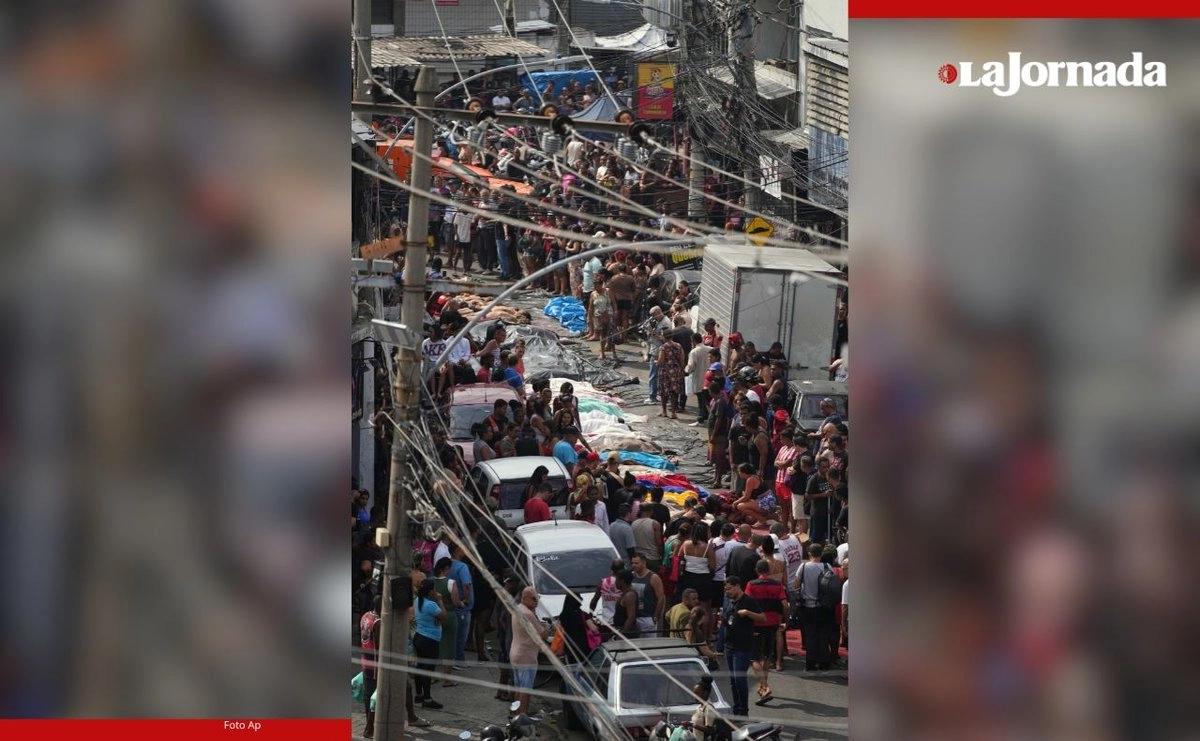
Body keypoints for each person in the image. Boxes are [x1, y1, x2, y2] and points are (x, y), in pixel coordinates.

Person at [744, 559, 788, 704]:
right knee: (766, 656)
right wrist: (784, 620)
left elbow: (747, 602)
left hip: (756, 623)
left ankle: (764, 687)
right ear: (769, 570)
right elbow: (784, 604)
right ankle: (764, 688)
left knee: (754, 657)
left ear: (757, 570)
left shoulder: (751, 584)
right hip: (773, 622)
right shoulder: (777, 585)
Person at [722, 577, 766, 718]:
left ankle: (743, 710)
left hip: (742, 647)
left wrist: (747, 613)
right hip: (729, 645)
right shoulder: (730, 601)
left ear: (737, 586)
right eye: (725, 589)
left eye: (729, 589)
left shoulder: (748, 601)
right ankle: (737, 709)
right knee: (733, 681)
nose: (727, 592)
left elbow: (762, 618)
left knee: (740, 679)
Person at [792, 542, 835, 670]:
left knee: (810, 635)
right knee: (823, 635)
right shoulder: (827, 566)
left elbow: (796, 585)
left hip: (808, 606)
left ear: (809, 553)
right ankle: (824, 663)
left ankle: (810, 663)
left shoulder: (804, 567)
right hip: (824, 607)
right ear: (821, 554)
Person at [509, 587, 548, 715]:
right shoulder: (528, 614)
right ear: (524, 598)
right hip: (526, 656)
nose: (536, 601)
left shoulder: (518, 609)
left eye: (537, 599)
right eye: (533, 599)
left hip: (516, 653)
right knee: (525, 691)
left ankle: (516, 714)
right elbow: (542, 634)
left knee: (518, 688)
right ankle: (522, 716)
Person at [412, 579, 446, 709]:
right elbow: (443, 616)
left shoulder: (417, 601)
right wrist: (440, 600)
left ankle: (419, 694)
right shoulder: (431, 605)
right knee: (427, 670)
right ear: (430, 591)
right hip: (429, 640)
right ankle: (427, 698)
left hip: (419, 636)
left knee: (420, 667)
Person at [430, 557, 462, 686]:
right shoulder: (451, 583)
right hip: (448, 615)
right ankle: (447, 678)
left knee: (434, 645)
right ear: (446, 568)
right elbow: (456, 602)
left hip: (434, 615)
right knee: (449, 646)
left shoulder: (431, 581)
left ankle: (431, 675)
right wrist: (462, 602)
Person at [448, 543, 475, 671]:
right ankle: (458, 659)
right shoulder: (462, 567)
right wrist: (467, 599)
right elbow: (466, 584)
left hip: (451, 604)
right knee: (461, 635)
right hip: (462, 607)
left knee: (453, 634)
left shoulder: (447, 566)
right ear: (457, 550)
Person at [630, 553, 666, 635]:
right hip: (634, 617)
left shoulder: (653, 577)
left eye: (636, 563)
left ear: (644, 563)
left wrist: (655, 618)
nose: (634, 565)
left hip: (648, 617)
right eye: (632, 563)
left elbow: (661, 598)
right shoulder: (631, 576)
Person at [588, 558, 625, 628]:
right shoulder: (624, 583)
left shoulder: (603, 582)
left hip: (606, 621)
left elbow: (594, 600)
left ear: (611, 568)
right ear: (623, 568)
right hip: (622, 621)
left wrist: (590, 615)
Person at [657, 330, 686, 420]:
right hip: (676, 371)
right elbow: (682, 359)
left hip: (665, 372)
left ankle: (664, 411)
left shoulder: (663, 347)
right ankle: (673, 412)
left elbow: (661, 361)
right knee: (674, 392)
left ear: (664, 337)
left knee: (664, 391)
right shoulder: (678, 346)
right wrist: (682, 370)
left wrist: (657, 362)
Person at [685, 333, 710, 426]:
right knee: (707, 399)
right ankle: (706, 417)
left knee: (701, 400)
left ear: (694, 341)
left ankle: (701, 419)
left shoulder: (694, 352)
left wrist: (686, 370)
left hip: (699, 378)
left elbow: (690, 366)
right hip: (709, 379)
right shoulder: (710, 349)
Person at [632, 505, 664, 573]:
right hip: (652, 558)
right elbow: (659, 542)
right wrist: (662, 556)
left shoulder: (634, 523)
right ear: (651, 511)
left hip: (638, 557)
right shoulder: (655, 524)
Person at [611, 569, 639, 638]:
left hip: (628, 635)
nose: (615, 582)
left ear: (622, 581)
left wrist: (622, 634)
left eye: (617, 580)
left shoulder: (629, 595)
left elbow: (631, 617)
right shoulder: (624, 594)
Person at [689, 676, 719, 741]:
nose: (695, 696)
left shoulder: (709, 708)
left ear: (705, 693)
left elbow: (710, 730)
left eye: (697, 693)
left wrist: (692, 725)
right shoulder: (699, 707)